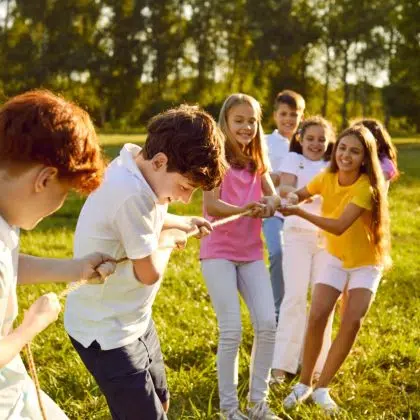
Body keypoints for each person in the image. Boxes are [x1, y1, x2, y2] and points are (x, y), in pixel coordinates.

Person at [64, 105, 227, 420]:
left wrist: (181, 221)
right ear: (161, 161)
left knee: (160, 401)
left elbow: (149, 217)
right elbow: (147, 272)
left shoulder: (136, 166)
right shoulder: (131, 194)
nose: (184, 197)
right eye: (184, 188)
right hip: (105, 332)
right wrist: (168, 241)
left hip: (134, 319)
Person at [0, 90, 116, 420]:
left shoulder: (6, 213)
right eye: (63, 194)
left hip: (12, 383)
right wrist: (31, 327)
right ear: (45, 179)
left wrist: (75, 269)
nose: (58, 206)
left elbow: (9, 267)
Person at [279, 124, 391, 412]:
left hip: (366, 262)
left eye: (355, 151)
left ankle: (323, 387)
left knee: (352, 321)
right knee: (317, 315)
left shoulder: (366, 186)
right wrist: (291, 198)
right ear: (335, 149)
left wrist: (299, 211)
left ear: (365, 158)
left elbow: (340, 226)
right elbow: (302, 192)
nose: (346, 155)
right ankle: (304, 384)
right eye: (342, 148)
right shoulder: (326, 178)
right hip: (335, 258)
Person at [200, 93, 280, 420]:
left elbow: (272, 195)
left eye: (251, 120)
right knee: (231, 330)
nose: (246, 127)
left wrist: (270, 204)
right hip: (218, 252)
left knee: (267, 324)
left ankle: (258, 404)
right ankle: (229, 410)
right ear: (226, 122)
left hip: (250, 254)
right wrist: (245, 209)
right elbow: (212, 205)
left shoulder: (257, 159)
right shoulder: (213, 158)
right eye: (239, 120)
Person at [270, 116, 336, 384]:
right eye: (310, 138)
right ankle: (281, 365)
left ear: (329, 141)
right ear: (301, 139)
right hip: (296, 234)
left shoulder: (332, 164)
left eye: (322, 139)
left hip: (326, 239)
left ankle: (315, 364)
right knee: (294, 298)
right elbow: (285, 187)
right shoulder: (292, 160)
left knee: (323, 305)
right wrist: (310, 194)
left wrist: (314, 195)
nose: (316, 144)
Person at [263, 90, 305, 321]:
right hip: (274, 212)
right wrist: (275, 177)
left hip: (300, 212)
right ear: (275, 115)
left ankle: (295, 306)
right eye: (284, 114)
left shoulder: (306, 144)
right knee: (277, 253)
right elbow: (261, 172)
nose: (288, 119)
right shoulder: (266, 142)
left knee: (296, 258)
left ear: (301, 116)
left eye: (294, 114)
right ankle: (276, 310)